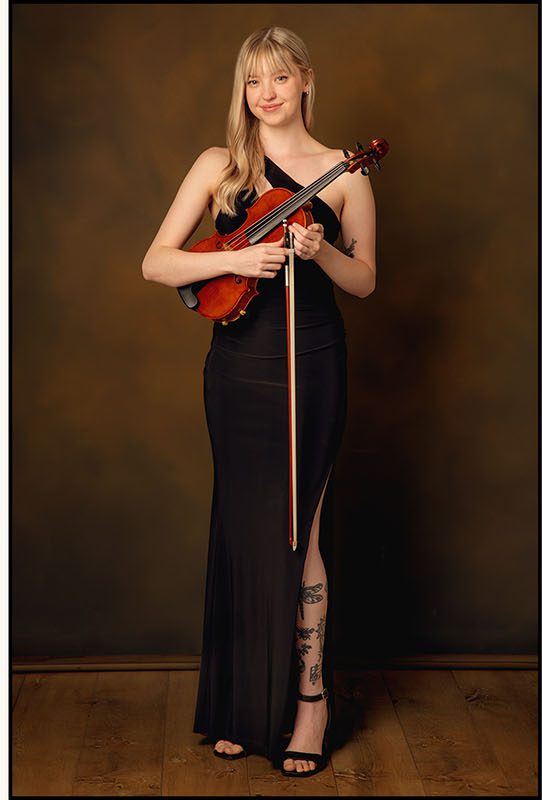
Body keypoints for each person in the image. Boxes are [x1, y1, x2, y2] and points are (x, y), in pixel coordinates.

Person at [140, 25, 377, 779]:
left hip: (312, 363)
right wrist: (244, 256)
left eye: (279, 77)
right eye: (253, 81)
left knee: (299, 534)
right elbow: (157, 262)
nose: (266, 94)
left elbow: (366, 279)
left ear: (307, 79)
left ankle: (310, 704)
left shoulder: (345, 173)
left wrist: (322, 253)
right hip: (238, 369)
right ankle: (243, 703)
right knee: (244, 529)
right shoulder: (220, 166)